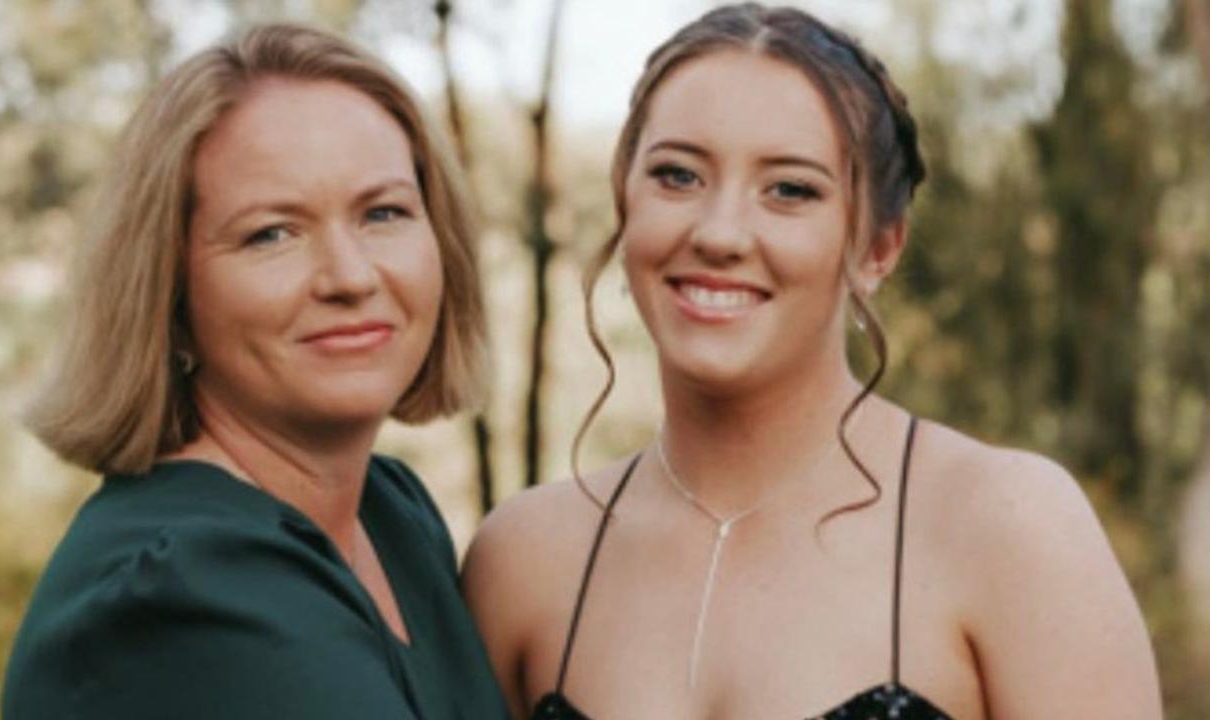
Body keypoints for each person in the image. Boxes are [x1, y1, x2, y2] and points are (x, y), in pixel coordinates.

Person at [463, 4, 1162, 718]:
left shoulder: (1006, 525)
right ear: (624, 200)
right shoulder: (522, 560)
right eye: (677, 176)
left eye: (789, 190)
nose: (720, 232)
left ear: (878, 248)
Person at [1, 23, 507, 719]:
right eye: (272, 233)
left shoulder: (392, 513)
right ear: (169, 294)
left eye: (383, 212)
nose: (350, 276)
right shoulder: (181, 588)